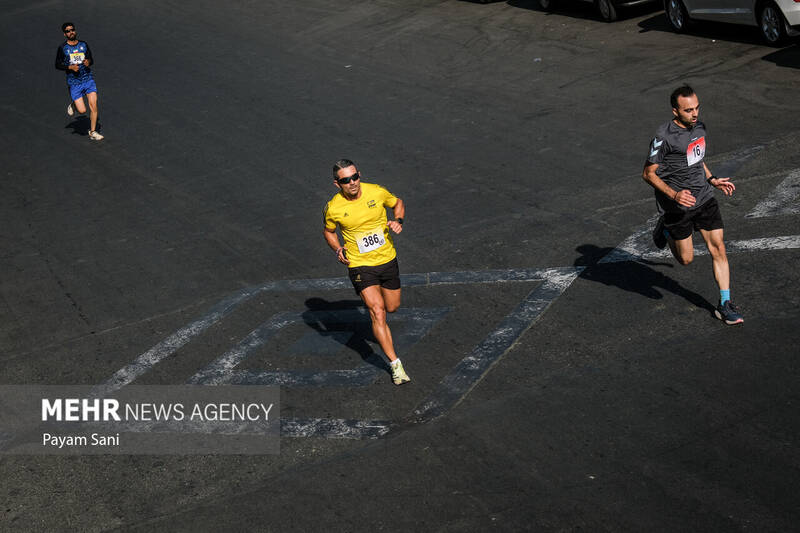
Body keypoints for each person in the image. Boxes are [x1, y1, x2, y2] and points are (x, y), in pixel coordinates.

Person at [642, 85, 743, 325]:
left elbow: (697, 159)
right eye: (688, 110)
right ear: (675, 111)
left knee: (718, 247)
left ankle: (725, 303)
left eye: (697, 108)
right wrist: (674, 195)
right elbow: (648, 173)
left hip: (705, 197)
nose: (695, 114)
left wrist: (712, 179)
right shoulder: (663, 137)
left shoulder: (699, 127)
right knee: (686, 260)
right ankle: (665, 229)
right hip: (677, 206)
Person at [323, 159, 411, 385]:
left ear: (359, 175)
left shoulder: (377, 192)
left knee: (392, 307)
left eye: (355, 177)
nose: (352, 183)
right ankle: (395, 365)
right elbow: (329, 232)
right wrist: (338, 249)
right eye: (345, 180)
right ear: (337, 184)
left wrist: (398, 220)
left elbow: (398, 202)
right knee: (377, 310)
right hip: (360, 265)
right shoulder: (334, 207)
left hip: (387, 260)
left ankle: (378, 319)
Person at [55, 22, 103, 141]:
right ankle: (74, 104)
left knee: (94, 106)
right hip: (74, 82)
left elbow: (91, 59)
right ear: (64, 34)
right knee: (82, 111)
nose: (71, 32)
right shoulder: (62, 48)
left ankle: (92, 132)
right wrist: (70, 68)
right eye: (68, 31)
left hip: (88, 79)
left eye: (72, 30)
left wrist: (88, 62)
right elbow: (57, 64)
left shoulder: (83, 44)